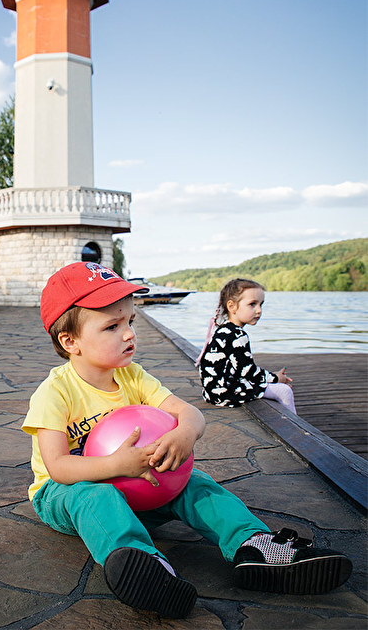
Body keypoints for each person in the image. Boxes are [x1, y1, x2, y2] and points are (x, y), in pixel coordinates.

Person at [22, 262, 351, 619]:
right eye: (112, 326)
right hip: (65, 494)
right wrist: (117, 465)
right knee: (95, 495)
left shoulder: (132, 376)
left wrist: (185, 432)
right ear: (70, 341)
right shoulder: (55, 392)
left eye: (131, 321)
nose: (129, 334)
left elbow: (190, 412)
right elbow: (58, 467)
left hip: (138, 488)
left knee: (195, 483)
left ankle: (253, 546)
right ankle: (145, 567)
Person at [197, 278, 297, 413]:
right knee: (284, 390)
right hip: (226, 393)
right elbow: (248, 371)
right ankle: (291, 423)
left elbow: (240, 369)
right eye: (252, 304)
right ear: (232, 306)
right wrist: (276, 378)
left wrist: (269, 377)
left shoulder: (223, 330)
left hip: (212, 393)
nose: (259, 310)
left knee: (267, 383)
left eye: (261, 304)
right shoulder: (237, 335)